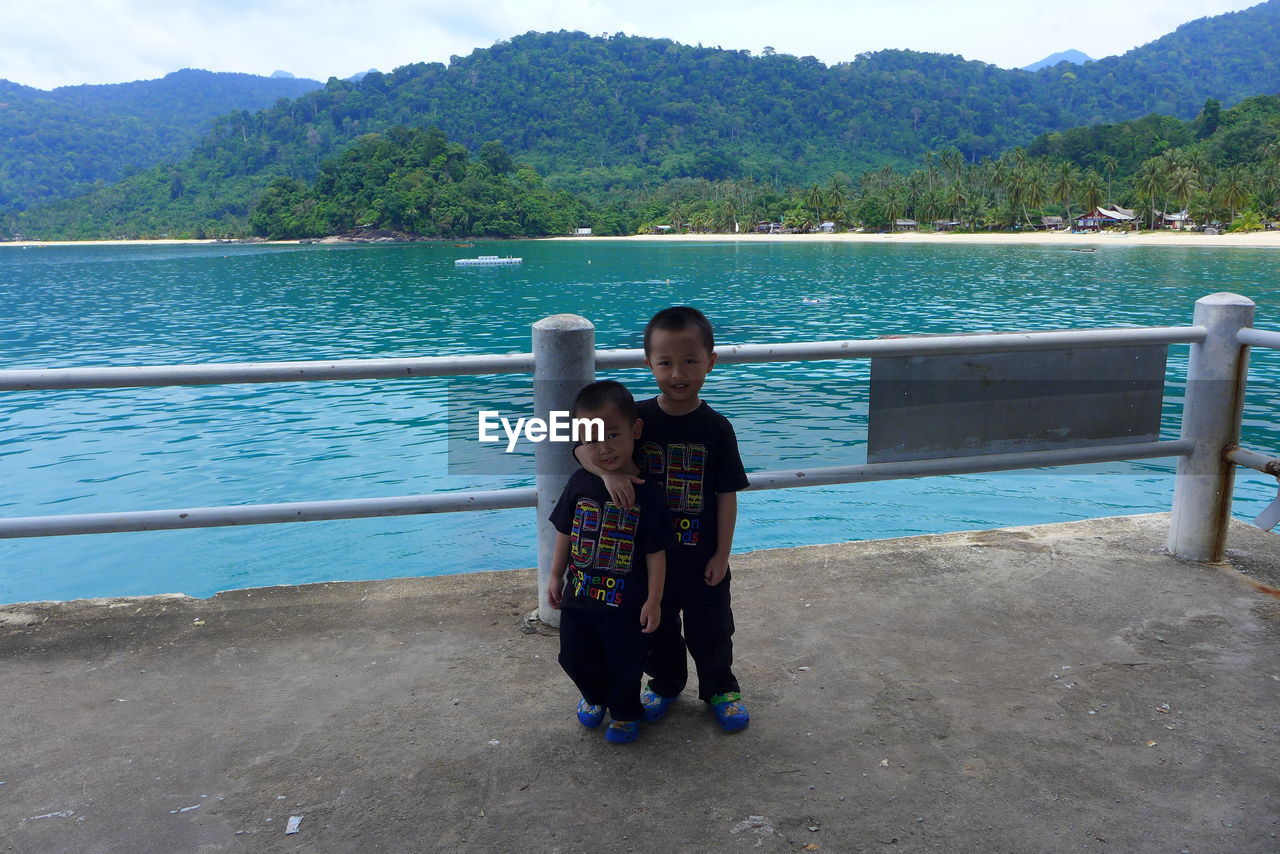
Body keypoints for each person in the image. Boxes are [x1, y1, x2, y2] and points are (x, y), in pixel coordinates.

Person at [576, 307, 751, 731]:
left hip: (701, 555)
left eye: (690, 361)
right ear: (648, 363)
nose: (678, 373)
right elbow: (579, 447)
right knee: (657, 629)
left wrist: (722, 555)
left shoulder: (716, 428)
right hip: (648, 558)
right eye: (665, 362)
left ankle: (720, 688)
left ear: (711, 361)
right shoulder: (634, 420)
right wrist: (608, 471)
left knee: (711, 629)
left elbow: (726, 497)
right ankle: (667, 684)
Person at [547, 380, 672, 744]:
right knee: (571, 655)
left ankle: (625, 712)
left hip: (626, 605)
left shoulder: (648, 493)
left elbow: (655, 551)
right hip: (579, 597)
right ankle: (594, 695)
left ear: (635, 430)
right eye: (591, 439)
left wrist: (653, 599)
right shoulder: (578, 484)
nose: (603, 448)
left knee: (626, 663)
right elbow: (565, 532)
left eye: (613, 434)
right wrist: (555, 574)